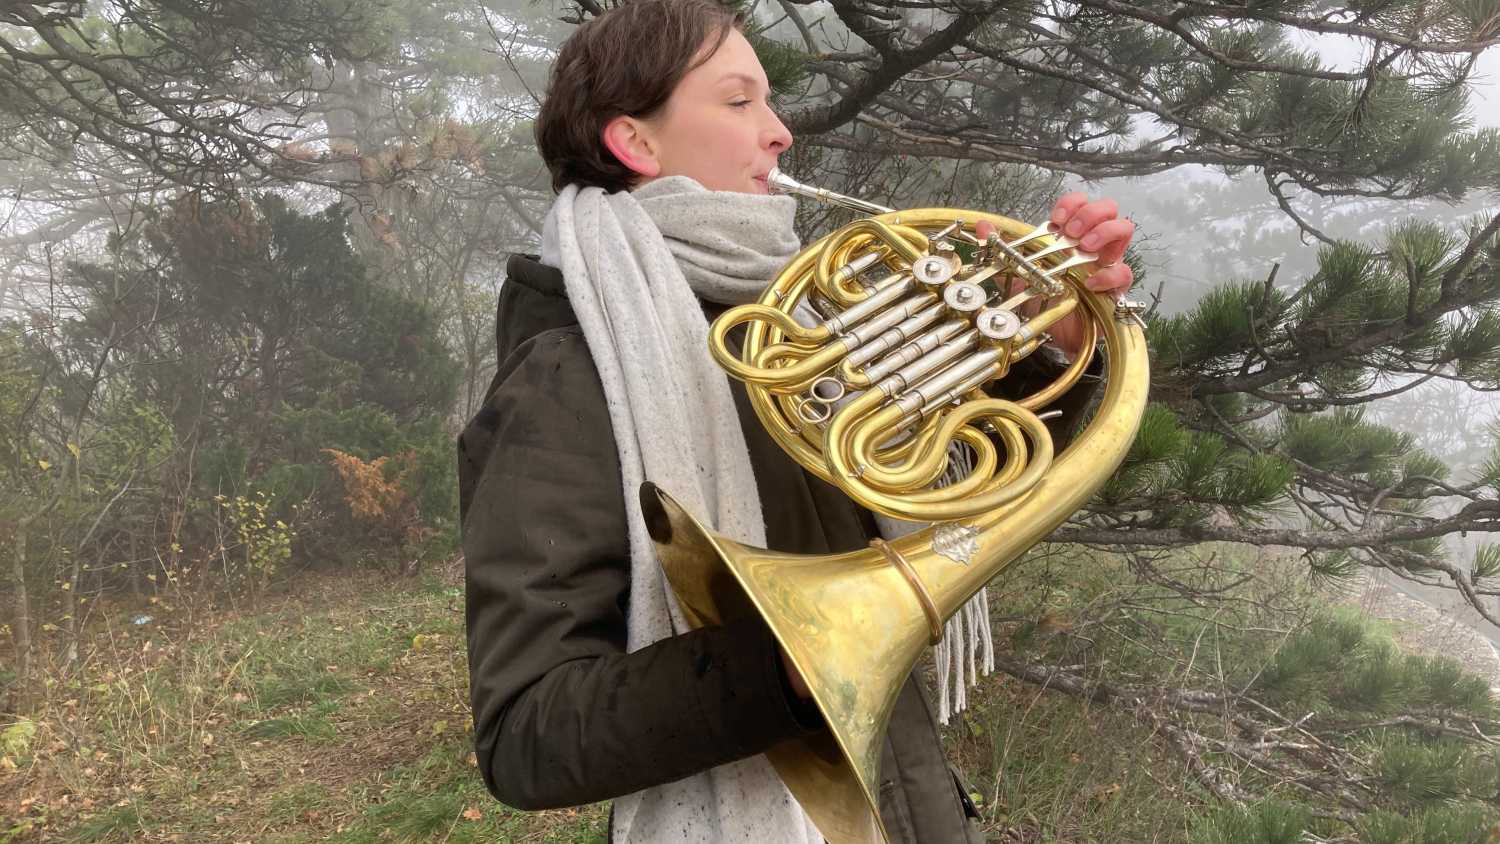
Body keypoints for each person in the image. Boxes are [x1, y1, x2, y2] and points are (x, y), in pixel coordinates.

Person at [458, 2, 1137, 841]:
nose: (779, 133)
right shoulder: (567, 374)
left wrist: (1048, 349)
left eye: (771, 103)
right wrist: (796, 661)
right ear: (636, 143)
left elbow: (960, 480)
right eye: (740, 102)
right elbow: (528, 731)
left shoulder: (804, 323)